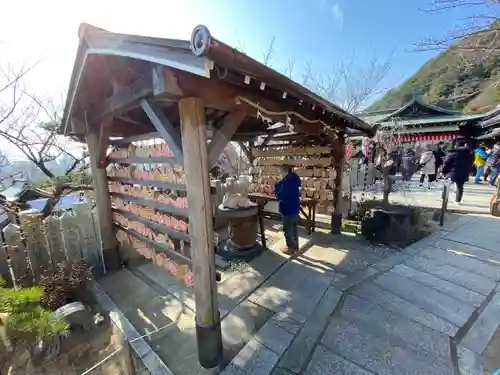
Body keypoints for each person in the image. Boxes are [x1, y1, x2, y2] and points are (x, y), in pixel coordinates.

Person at [274, 164, 301, 255]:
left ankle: (290, 248)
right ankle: (296, 246)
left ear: (284, 172)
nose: (279, 173)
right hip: (295, 208)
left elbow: (279, 196)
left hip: (287, 209)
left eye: (280, 172)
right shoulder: (295, 179)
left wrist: (277, 185)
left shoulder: (284, 183)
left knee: (287, 230)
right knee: (294, 229)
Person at [442, 139, 473, 205]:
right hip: (464, 173)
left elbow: (446, 162)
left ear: (456, 145)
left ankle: (444, 198)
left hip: (453, 172)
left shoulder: (454, 153)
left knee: (446, 185)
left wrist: (445, 171)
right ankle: (457, 201)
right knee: (460, 187)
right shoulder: (469, 154)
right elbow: (471, 163)